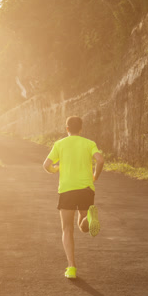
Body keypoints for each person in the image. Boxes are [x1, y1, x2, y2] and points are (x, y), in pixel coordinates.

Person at [42, 116, 104, 279]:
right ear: (81, 129)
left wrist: (55, 169)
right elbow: (100, 160)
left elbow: (46, 165)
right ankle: (88, 217)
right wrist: (95, 176)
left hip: (67, 189)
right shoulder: (89, 143)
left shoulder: (60, 144)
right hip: (86, 188)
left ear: (67, 129)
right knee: (83, 226)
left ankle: (71, 268)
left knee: (67, 229)